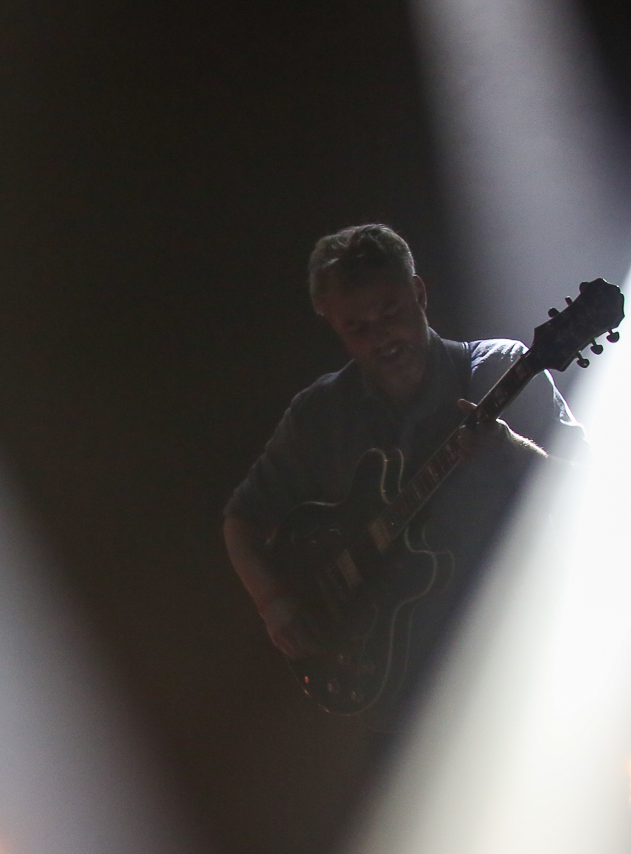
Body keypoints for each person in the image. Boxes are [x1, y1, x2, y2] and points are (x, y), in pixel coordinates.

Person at [224, 224, 585, 712]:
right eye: (357, 327)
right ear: (331, 323)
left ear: (419, 293)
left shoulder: (497, 369)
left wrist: (509, 448)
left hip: (522, 670)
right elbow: (241, 520)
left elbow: (593, 491)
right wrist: (275, 605)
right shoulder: (319, 414)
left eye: (390, 312)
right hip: (398, 693)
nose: (380, 337)